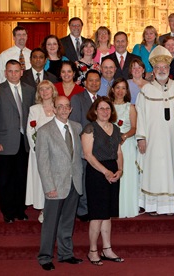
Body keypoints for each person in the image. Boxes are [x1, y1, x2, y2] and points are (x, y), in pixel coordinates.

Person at [36, 96, 83, 271]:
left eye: (66, 107)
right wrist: (49, 187)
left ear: (70, 109)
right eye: (60, 107)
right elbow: (42, 162)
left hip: (74, 183)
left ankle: (65, 254)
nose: (64, 110)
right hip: (55, 185)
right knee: (50, 223)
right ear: (54, 109)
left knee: (67, 222)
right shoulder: (44, 131)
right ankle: (45, 257)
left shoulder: (77, 128)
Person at [0, 59, 35, 223]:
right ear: (5, 73)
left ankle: (20, 210)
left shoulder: (29, 90)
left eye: (16, 71)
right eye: (10, 71)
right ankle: (7, 211)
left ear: (22, 72)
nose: (14, 74)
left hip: (24, 142)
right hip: (4, 142)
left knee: (22, 178)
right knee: (6, 179)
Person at [135, 46, 174, 215]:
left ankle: (169, 206)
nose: (162, 70)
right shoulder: (146, 90)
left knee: (170, 169)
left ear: (169, 69)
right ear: (153, 70)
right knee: (153, 170)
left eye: (165, 67)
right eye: (158, 67)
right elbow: (141, 115)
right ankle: (153, 205)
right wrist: (141, 138)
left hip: (172, 139)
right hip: (152, 139)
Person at [81, 96, 124, 265]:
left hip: (113, 172)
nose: (105, 112)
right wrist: (106, 171)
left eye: (108, 109)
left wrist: (120, 170)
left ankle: (107, 249)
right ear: (95, 111)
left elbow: (119, 153)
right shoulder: (90, 128)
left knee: (107, 214)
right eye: (101, 109)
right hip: (97, 173)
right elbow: (88, 155)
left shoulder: (115, 128)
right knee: (97, 215)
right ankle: (92, 250)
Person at [70, 69, 102, 222]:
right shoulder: (77, 99)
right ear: (85, 82)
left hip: (99, 149)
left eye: (97, 80)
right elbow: (75, 125)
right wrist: (81, 147)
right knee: (83, 179)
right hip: (84, 148)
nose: (94, 83)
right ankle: (83, 210)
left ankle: (94, 207)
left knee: (95, 180)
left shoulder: (103, 99)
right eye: (91, 80)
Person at [25, 80, 58, 223]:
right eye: (41, 89)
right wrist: (38, 149)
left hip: (57, 153)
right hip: (40, 153)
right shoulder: (34, 109)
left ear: (53, 91)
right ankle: (44, 209)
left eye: (47, 89)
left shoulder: (59, 107)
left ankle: (54, 208)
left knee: (56, 181)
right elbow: (29, 131)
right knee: (42, 181)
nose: (45, 92)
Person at [108, 79, 138, 218]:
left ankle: (128, 208)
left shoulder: (130, 107)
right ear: (113, 89)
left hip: (127, 144)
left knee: (127, 176)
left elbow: (134, 127)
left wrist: (124, 136)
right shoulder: (107, 106)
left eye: (123, 88)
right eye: (118, 88)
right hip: (110, 146)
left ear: (127, 91)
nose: (120, 91)